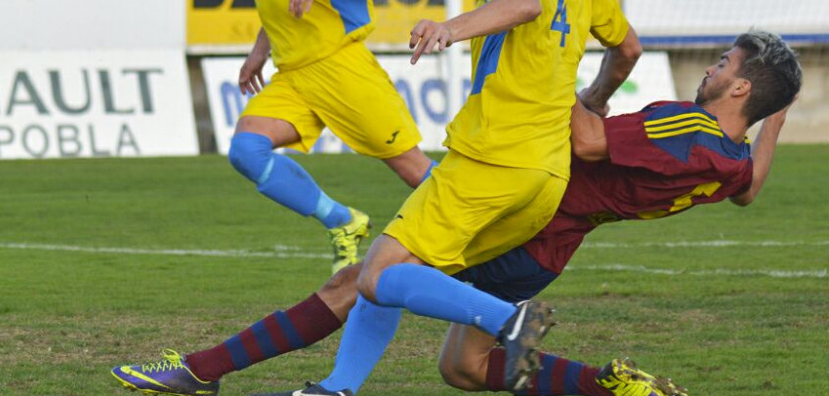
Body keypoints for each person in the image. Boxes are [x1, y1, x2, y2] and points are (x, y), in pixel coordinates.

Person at [107, 29, 802, 396]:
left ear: (738, 84)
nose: (710, 67)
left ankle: (204, 370)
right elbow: (751, 187)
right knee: (465, 369)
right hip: (553, 244)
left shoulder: (688, 128)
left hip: (523, 213)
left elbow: (587, 138)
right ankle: (608, 383)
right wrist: (774, 116)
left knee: (364, 278)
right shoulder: (732, 160)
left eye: (722, 62)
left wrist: (548, 70)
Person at [267, 0, 642, 394]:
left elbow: (525, 2)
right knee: (392, 263)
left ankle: (509, 323)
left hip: (492, 159)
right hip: (546, 175)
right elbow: (628, 48)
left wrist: (451, 26)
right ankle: (337, 387)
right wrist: (593, 100)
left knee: (379, 273)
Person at [225, 0, 436, 275]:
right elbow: (278, 4)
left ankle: (492, 239)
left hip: (342, 69)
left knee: (415, 170)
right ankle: (344, 220)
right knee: (246, 149)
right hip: (294, 78)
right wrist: (257, 54)